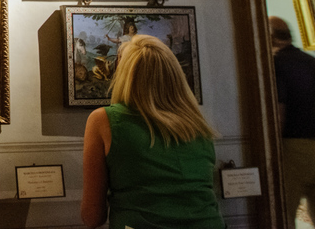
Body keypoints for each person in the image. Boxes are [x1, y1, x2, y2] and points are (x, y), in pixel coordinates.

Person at [81, 34, 224, 229]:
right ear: (174, 75)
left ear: (124, 75)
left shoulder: (103, 120)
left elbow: (92, 217)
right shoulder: (197, 124)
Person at [269, 16, 315, 226]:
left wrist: (271, 150)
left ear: (269, 37)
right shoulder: (310, 61)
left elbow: (279, 112)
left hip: (293, 148)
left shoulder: (276, 64)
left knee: (283, 214)